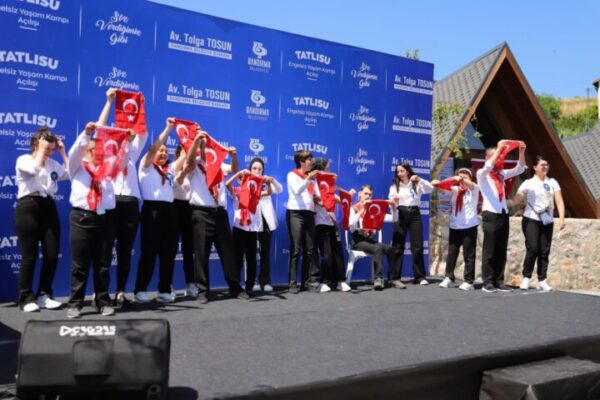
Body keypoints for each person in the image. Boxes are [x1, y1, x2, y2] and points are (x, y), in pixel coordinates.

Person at [65, 121, 132, 318]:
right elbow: (75, 151)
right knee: (80, 264)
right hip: (82, 218)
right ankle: (75, 303)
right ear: (87, 151)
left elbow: (124, 159)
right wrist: (86, 133)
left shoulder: (109, 170)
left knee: (103, 264)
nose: (100, 152)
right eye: (95, 149)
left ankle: (103, 301)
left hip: (106, 219)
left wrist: (126, 142)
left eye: (102, 149)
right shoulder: (76, 166)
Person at [184, 132, 248, 303]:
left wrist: (234, 157)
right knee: (202, 253)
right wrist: (197, 140)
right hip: (201, 212)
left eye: (208, 146)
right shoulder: (194, 164)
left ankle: (234, 286)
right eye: (202, 146)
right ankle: (203, 291)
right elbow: (189, 161)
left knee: (228, 252)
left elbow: (235, 170)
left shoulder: (218, 164)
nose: (206, 149)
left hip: (220, 213)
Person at [101, 88, 149, 307]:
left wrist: (142, 109)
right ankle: (100, 292)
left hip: (129, 202)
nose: (124, 134)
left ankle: (120, 291)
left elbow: (143, 132)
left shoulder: (133, 152)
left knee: (124, 250)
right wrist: (110, 102)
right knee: (104, 248)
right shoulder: (106, 151)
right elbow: (99, 128)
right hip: (110, 202)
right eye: (118, 131)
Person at [14, 127, 68, 312]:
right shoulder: (24, 159)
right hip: (28, 206)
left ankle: (45, 294)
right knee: (29, 255)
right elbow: (33, 170)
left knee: (52, 254)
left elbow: (69, 173)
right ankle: (26, 297)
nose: (50, 153)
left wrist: (62, 151)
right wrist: (42, 151)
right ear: (37, 144)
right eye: (48, 148)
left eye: (52, 150)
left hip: (49, 207)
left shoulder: (52, 162)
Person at [133, 118, 179, 303]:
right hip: (151, 210)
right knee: (149, 252)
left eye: (166, 151)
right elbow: (153, 147)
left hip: (169, 211)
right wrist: (168, 128)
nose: (163, 153)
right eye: (160, 150)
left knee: (168, 253)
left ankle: (164, 289)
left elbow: (186, 158)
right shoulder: (145, 165)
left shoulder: (170, 169)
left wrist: (194, 140)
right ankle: (140, 290)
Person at [508, 156, 565, 292]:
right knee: (533, 248)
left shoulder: (553, 182)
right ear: (535, 167)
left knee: (544, 250)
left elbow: (559, 201)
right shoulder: (528, 183)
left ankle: (542, 280)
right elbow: (518, 197)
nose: (545, 167)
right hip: (531, 219)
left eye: (546, 165)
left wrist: (562, 218)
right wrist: (508, 202)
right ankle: (526, 277)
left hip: (547, 220)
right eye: (542, 165)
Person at [476, 140, 527, 293]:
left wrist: (521, 152)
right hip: (490, 214)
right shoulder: (482, 174)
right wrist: (499, 149)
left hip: (503, 214)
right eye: (495, 156)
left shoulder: (502, 174)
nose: (499, 159)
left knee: (500, 249)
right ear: (487, 157)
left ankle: (499, 280)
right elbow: (488, 166)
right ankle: (488, 282)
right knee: (489, 250)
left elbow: (520, 168)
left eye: (500, 157)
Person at [432, 168, 480, 291]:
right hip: (455, 226)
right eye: (460, 174)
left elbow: (472, 185)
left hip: (469, 226)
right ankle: (449, 277)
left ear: (470, 177)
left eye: (466, 174)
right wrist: (443, 182)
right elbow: (440, 185)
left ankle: (469, 281)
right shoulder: (455, 190)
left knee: (469, 255)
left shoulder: (474, 189)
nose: (462, 176)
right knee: (452, 254)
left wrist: (463, 179)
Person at [388, 162, 433, 285]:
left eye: (402, 171)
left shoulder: (416, 183)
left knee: (417, 245)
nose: (400, 174)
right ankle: (395, 277)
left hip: (414, 213)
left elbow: (430, 188)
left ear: (408, 171)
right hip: (400, 212)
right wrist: (394, 201)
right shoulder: (394, 186)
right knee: (398, 245)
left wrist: (419, 179)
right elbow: (391, 201)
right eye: (398, 172)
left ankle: (420, 277)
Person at [349, 185, 400, 290]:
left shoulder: (374, 209)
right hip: (358, 241)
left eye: (370, 194)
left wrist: (394, 207)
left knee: (390, 249)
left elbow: (394, 219)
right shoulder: (353, 208)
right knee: (377, 249)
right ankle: (378, 278)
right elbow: (351, 225)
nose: (368, 196)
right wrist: (363, 209)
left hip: (370, 240)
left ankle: (393, 279)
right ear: (360, 194)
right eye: (365, 194)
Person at [311, 158, 351, 292]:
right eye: (328, 168)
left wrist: (346, 197)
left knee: (338, 252)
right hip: (320, 222)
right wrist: (328, 202)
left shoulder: (330, 183)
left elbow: (337, 198)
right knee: (326, 254)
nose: (330, 170)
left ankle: (341, 281)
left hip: (332, 222)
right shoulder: (314, 182)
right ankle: (324, 282)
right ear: (321, 169)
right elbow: (317, 200)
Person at [286, 150, 322, 293]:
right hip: (295, 213)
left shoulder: (312, 178)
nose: (311, 162)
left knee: (310, 249)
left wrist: (329, 202)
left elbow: (317, 196)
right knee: (296, 249)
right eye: (309, 160)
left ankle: (308, 282)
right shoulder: (292, 175)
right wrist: (308, 179)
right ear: (302, 162)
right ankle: (293, 283)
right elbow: (297, 190)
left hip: (309, 214)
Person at [252, 157, 283, 293]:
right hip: (251, 222)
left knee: (265, 253)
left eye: (260, 169)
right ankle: (253, 281)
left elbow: (280, 189)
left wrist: (272, 180)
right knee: (252, 254)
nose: (257, 171)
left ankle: (266, 281)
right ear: (250, 169)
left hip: (266, 222)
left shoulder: (266, 181)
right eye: (254, 168)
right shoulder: (246, 180)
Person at [171, 145, 198, 298]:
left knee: (189, 250)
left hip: (190, 209)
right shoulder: (172, 167)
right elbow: (176, 182)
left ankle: (190, 283)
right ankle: (168, 284)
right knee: (171, 249)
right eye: (185, 151)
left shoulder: (194, 170)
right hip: (174, 208)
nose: (188, 154)